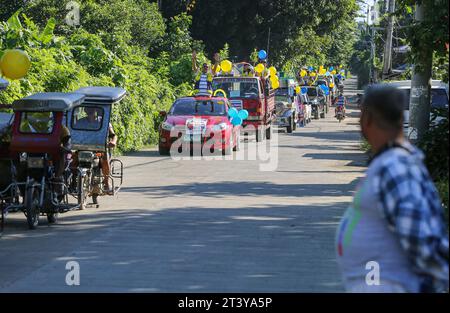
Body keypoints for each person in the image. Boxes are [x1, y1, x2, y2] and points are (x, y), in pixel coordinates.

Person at [336, 84, 449, 293]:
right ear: (400, 119)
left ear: (367, 119)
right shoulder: (392, 162)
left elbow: (422, 242)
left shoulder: (394, 167)